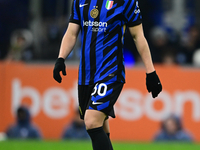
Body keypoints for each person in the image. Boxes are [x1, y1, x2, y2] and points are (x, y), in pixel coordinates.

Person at [53, 0, 162, 149]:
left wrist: (151, 72)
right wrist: (61, 58)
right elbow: (71, 33)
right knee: (101, 128)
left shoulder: (127, 2)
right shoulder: (80, 1)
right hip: (86, 74)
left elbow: (138, 36)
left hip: (110, 71)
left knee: (91, 122)